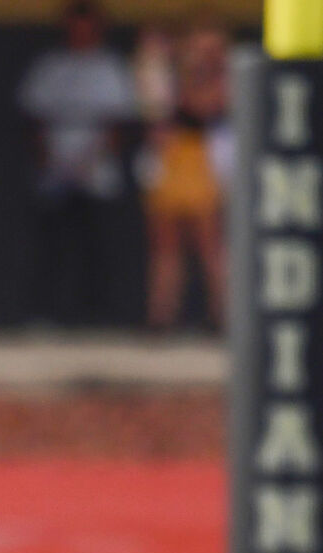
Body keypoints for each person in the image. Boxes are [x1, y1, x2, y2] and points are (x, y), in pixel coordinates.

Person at [18, 0, 139, 325]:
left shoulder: (111, 66)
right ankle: (43, 317)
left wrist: (89, 162)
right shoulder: (50, 66)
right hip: (54, 175)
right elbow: (35, 120)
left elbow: (117, 125)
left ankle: (97, 319)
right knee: (52, 250)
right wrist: (53, 162)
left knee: (97, 251)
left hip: (96, 175)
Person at [135, 18, 230, 330]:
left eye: (211, 48)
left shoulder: (225, 77)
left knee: (210, 244)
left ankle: (223, 317)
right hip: (170, 162)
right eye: (199, 46)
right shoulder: (167, 71)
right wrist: (160, 61)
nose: (203, 53)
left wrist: (186, 77)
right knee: (166, 246)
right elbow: (154, 109)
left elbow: (206, 106)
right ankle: (160, 318)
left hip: (203, 160)